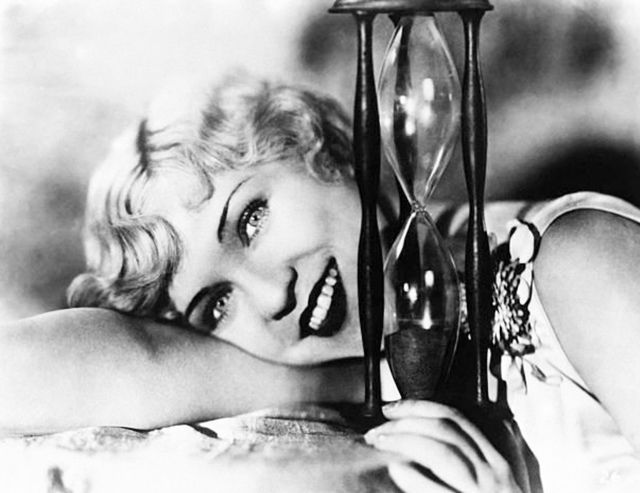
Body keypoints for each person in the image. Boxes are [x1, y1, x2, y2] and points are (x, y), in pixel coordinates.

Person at [0, 73, 638, 492]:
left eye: (251, 219)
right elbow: (20, 372)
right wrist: (337, 378)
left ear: (321, 151)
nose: (271, 295)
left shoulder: (578, 260)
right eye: (216, 305)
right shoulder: (360, 368)